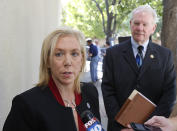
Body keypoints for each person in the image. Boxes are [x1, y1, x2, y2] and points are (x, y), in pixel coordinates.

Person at [3, 27, 101, 131]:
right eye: (59, 54)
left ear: (82, 59)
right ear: (48, 61)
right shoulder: (26, 104)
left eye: (74, 54)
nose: (68, 62)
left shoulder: (90, 92)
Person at [101, 5, 176, 131]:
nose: (140, 28)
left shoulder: (165, 55)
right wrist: (120, 121)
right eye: (136, 23)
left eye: (145, 24)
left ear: (153, 28)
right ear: (131, 24)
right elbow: (108, 89)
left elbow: (169, 93)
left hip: (151, 126)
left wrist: (148, 125)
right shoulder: (113, 53)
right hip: (119, 126)